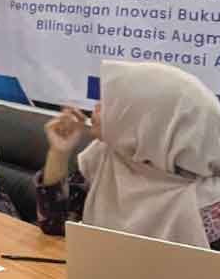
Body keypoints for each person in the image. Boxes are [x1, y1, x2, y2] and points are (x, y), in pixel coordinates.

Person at [37, 60, 220, 249]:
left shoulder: (208, 201)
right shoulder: (105, 155)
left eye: (110, 103)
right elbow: (54, 224)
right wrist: (58, 152)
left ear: (149, 123)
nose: (96, 108)